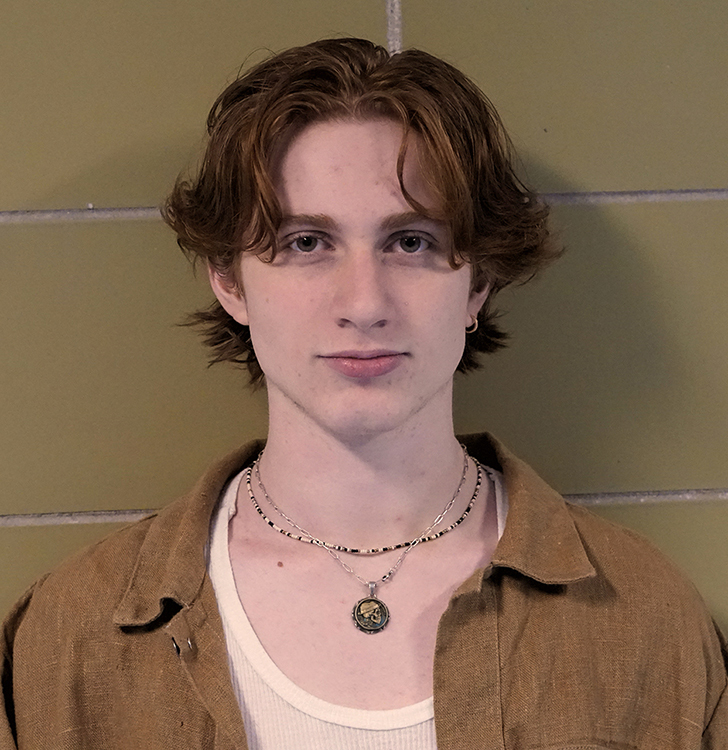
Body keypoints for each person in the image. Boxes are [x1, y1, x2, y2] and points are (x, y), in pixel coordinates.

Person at [1, 37, 726, 750]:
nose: (364, 304)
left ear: (477, 282)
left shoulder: (647, 621)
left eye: (410, 241)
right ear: (229, 280)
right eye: (305, 243)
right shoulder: (70, 639)